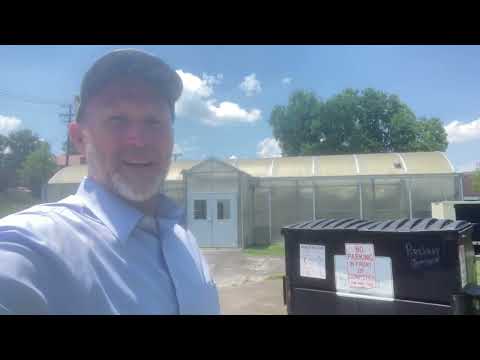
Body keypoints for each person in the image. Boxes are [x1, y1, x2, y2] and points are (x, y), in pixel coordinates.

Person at [0, 49, 220, 315]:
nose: (139, 140)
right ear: (79, 138)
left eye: (154, 121)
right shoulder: (36, 246)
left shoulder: (183, 240)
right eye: (117, 120)